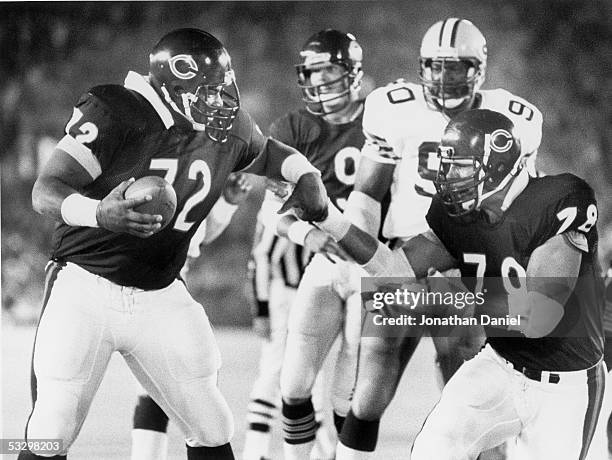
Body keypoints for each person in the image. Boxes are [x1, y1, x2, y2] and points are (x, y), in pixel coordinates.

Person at [20, 28, 328, 460]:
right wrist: (99, 213)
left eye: (223, 92)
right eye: (207, 93)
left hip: (160, 292)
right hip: (85, 287)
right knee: (51, 427)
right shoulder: (116, 112)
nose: (219, 104)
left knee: (213, 424)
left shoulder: (229, 130)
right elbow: (45, 190)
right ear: (171, 85)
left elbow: (271, 152)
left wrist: (307, 175)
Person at [312, 108, 605, 459]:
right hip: (501, 365)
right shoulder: (457, 218)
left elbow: (539, 316)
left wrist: (429, 306)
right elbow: (394, 267)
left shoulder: (560, 199)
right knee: (433, 449)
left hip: (566, 384)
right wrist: (325, 215)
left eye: (460, 165)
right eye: (447, 164)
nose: (448, 176)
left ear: (497, 162)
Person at [337, 18, 543, 458]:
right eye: (436, 67)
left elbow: (525, 202)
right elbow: (368, 193)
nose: (445, 78)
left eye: (457, 68)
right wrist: (360, 259)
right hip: (405, 253)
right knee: (373, 378)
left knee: (467, 373)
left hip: (468, 258)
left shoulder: (513, 118)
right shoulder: (394, 108)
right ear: (421, 67)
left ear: (480, 70)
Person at [242, 29, 370, 460]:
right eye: (312, 74)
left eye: (329, 71)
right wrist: (309, 233)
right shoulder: (294, 128)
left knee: (346, 393)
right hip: (327, 260)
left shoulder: (381, 119)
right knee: (293, 384)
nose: (320, 82)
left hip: (375, 263)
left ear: (352, 71)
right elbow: (274, 213)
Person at [130, 172, 252, 460]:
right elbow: (282, 220)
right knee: (58, 411)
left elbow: (194, 236)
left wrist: (225, 205)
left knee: (364, 365)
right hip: (126, 278)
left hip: (376, 272)